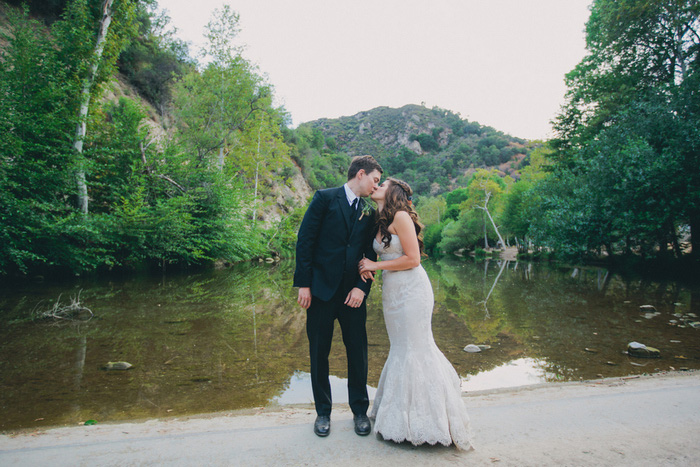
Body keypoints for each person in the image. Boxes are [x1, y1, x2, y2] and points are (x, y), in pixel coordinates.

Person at [358, 178, 473, 450]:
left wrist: (374, 264)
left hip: (412, 290)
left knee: (416, 348)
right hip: (392, 292)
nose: (376, 186)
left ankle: (429, 422)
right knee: (400, 348)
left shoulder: (400, 216)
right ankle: (398, 416)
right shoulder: (380, 220)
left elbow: (413, 258)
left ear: (394, 192)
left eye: (382, 184)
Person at [294, 155, 383, 438]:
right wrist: (304, 284)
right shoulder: (324, 199)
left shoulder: (369, 212)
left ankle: (360, 411)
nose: (376, 185)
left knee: (358, 352)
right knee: (319, 353)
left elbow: (370, 255)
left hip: (352, 295)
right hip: (320, 292)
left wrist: (361, 287)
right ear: (360, 174)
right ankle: (323, 413)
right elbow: (305, 240)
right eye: (375, 180)